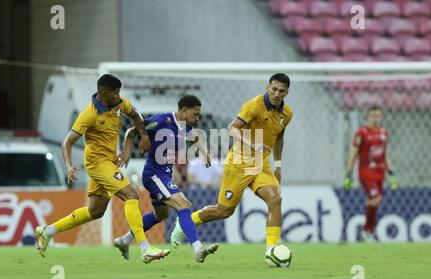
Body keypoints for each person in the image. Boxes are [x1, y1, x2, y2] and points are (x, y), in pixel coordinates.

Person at [35, 74, 170, 263]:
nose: (119, 96)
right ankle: (144, 248)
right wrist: (68, 165)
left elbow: (136, 115)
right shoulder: (88, 115)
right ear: (104, 93)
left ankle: (47, 231)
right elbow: (66, 143)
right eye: (115, 93)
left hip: (110, 161)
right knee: (131, 195)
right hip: (97, 164)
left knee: (95, 211)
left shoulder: (118, 103)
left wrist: (141, 137)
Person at [170, 73, 293, 262]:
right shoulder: (254, 106)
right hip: (239, 163)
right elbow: (232, 129)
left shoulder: (287, 114)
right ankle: (186, 222)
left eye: (281, 91)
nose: (276, 93)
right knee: (224, 211)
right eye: (274, 89)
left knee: (275, 200)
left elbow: (280, 136)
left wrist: (278, 164)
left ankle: (271, 250)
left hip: (261, 165)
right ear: (268, 86)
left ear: (286, 93)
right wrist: (254, 145)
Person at [113, 95, 219, 263]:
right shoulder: (162, 121)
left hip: (163, 175)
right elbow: (131, 131)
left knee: (160, 214)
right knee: (184, 204)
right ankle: (198, 248)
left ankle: (124, 240)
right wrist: (127, 151)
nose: (197, 118)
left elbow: (195, 137)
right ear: (184, 110)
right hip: (154, 174)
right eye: (195, 114)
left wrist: (204, 152)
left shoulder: (185, 127)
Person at [344, 106, 398, 242]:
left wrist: (390, 171)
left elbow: (384, 153)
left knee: (373, 201)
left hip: (380, 173)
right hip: (366, 172)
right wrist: (349, 172)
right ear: (368, 117)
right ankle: (367, 231)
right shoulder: (361, 133)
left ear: (381, 117)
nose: (375, 119)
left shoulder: (383, 133)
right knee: (376, 199)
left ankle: (367, 232)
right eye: (373, 116)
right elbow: (353, 153)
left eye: (378, 116)